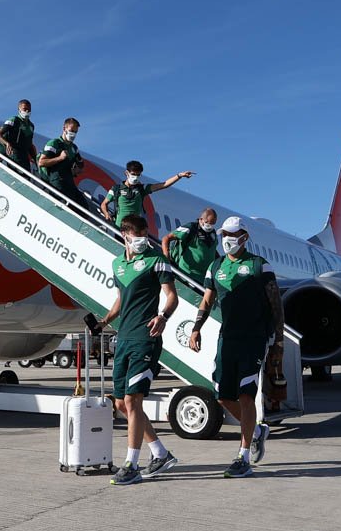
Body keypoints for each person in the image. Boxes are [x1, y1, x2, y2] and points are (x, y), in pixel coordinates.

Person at [188, 216, 285, 478]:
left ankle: (243, 456)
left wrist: (278, 341)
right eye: (224, 234)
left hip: (254, 337)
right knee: (222, 395)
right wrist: (196, 328)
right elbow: (207, 300)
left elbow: (276, 305)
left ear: (244, 236)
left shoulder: (258, 266)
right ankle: (255, 431)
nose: (227, 239)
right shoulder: (216, 266)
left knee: (245, 394)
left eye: (232, 234)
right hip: (227, 337)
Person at [92, 215, 180, 485]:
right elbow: (121, 298)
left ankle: (131, 464)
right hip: (124, 338)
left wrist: (163, 316)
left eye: (145, 234)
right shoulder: (117, 264)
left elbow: (171, 295)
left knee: (132, 401)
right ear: (125, 235)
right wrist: (105, 320)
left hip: (146, 338)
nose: (143, 240)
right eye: (137, 235)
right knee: (120, 403)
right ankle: (160, 453)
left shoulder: (156, 260)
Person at [100, 161, 195, 227]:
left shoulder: (142, 188)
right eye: (133, 174)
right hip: (119, 226)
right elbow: (104, 204)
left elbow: (164, 185)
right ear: (126, 173)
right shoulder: (116, 189)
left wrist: (179, 176)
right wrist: (106, 214)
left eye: (138, 175)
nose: (135, 177)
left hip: (135, 228)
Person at [38, 117, 93, 211]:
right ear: (64, 128)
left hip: (69, 181)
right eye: (72, 131)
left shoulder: (74, 148)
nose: (73, 134)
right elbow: (41, 162)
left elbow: (80, 163)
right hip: (57, 181)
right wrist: (60, 158)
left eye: (75, 132)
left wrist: (78, 169)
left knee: (83, 208)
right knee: (63, 207)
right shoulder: (54, 143)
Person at [161, 207, 219, 283]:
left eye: (212, 223)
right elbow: (166, 238)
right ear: (201, 219)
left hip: (202, 279)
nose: (210, 226)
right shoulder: (191, 228)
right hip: (186, 274)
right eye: (207, 222)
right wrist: (166, 257)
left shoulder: (213, 235)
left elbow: (213, 251)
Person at [0, 99, 38, 171]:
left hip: (24, 154)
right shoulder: (14, 120)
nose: (27, 111)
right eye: (24, 109)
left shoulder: (31, 126)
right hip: (14, 152)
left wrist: (35, 159)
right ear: (19, 109)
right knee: (20, 173)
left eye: (29, 110)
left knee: (27, 175)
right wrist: (7, 143)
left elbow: (30, 145)